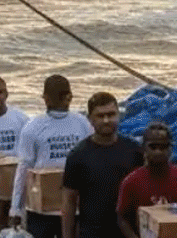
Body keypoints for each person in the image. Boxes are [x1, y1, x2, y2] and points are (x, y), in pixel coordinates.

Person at [10, 75, 93, 238]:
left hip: (74, 208)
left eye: (66, 96)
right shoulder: (33, 127)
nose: (65, 101)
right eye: (59, 97)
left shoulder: (82, 123)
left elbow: (91, 163)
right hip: (40, 209)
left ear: (71, 97)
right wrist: (15, 208)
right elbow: (24, 169)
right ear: (45, 99)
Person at [60, 92, 142, 238]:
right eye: (100, 116)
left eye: (111, 114)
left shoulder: (134, 150)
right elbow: (69, 202)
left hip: (128, 233)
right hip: (92, 233)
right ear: (90, 119)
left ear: (118, 115)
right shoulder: (78, 155)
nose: (106, 120)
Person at [116, 122, 177, 238]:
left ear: (171, 148)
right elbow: (122, 218)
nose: (158, 151)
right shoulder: (131, 182)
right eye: (153, 147)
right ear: (144, 148)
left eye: (163, 147)